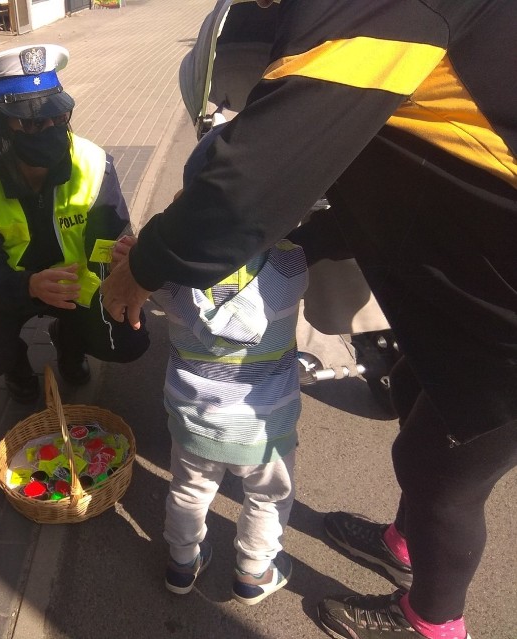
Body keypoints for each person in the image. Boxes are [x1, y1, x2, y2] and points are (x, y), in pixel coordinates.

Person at [102, 1, 516, 638]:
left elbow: (250, 186)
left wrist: (145, 264)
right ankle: (404, 544)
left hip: (499, 322)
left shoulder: (385, 10)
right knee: (413, 394)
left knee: (441, 473)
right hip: (466, 293)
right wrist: (316, 237)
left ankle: (431, 621)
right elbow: (362, 195)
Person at [114, 125, 307, 603]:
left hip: (195, 415)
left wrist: (138, 259)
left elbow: (144, 273)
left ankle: (181, 564)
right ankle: (253, 572)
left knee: (189, 491)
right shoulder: (291, 267)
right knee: (268, 497)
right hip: (268, 423)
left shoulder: (165, 277)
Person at [0, 44, 149, 403]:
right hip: (11, 288)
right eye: (35, 122)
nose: (51, 128)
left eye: (59, 116)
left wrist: (123, 258)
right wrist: (30, 286)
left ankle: (70, 344)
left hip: (75, 285)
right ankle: (17, 368)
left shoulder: (93, 163)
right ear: (1, 127)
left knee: (130, 339)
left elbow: (109, 238)